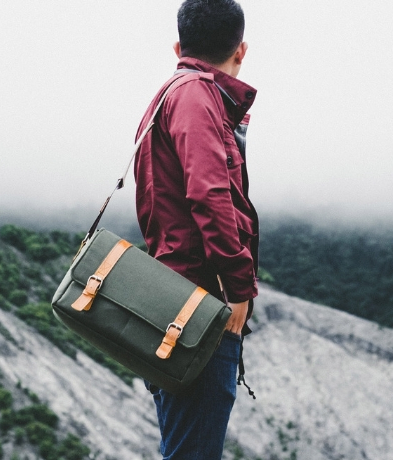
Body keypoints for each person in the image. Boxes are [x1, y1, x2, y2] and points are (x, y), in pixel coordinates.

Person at [133, 0, 259, 458]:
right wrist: (239, 288)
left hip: (177, 300)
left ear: (178, 47)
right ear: (240, 50)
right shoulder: (195, 95)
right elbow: (209, 195)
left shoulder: (173, 93)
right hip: (198, 308)